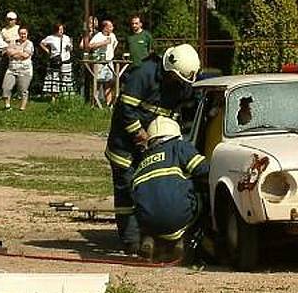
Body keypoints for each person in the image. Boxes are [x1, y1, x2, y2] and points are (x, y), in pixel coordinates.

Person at [105, 43, 200, 255]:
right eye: (179, 79)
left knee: (151, 190)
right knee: (128, 191)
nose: (181, 84)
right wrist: (139, 133)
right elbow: (125, 108)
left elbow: (187, 104)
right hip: (125, 148)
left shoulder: (180, 83)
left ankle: (152, 236)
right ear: (170, 69)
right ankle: (131, 241)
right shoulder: (144, 74)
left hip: (149, 148)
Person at [132, 116, 210, 262]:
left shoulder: (143, 160)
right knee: (201, 191)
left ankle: (149, 239)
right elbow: (203, 170)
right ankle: (183, 240)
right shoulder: (179, 146)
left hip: (148, 221)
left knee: (150, 199)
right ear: (176, 134)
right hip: (178, 216)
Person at [81, 18, 118, 106]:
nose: (112, 28)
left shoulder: (113, 35)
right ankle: (94, 103)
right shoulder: (98, 36)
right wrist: (103, 43)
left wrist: (110, 53)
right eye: (110, 27)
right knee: (97, 82)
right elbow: (90, 45)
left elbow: (115, 44)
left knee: (109, 83)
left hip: (109, 61)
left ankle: (109, 104)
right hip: (99, 62)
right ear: (105, 27)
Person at [2, 26, 34, 111]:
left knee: (23, 89)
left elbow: (25, 56)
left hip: (25, 70)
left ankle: (22, 108)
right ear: (18, 34)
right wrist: (20, 51)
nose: (23, 35)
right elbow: (9, 53)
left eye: (24, 33)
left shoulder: (29, 43)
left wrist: (15, 52)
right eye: (21, 33)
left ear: (27, 34)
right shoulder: (13, 42)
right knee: (6, 87)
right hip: (12, 69)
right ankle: (7, 106)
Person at [40, 23, 74, 98]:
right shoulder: (50, 38)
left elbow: (71, 48)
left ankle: (66, 96)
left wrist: (70, 47)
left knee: (66, 78)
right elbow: (42, 43)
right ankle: (53, 97)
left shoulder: (66, 38)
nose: (61, 31)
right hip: (55, 59)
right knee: (54, 78)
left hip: (65, 59)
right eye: (59, 29)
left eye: (62, 29)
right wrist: (47, 51)